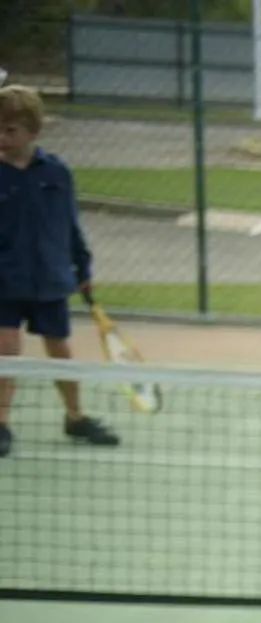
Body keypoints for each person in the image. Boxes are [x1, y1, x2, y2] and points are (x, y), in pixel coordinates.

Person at [0, 83, 119, 459]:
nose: (1, 136)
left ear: (33, 131)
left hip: (50, 280)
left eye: (9, 129)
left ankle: (75, 416)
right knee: (6, 349)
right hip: (5, 281)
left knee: (60, 349)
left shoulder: (57, 173)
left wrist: (82, 268)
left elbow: (69, 226)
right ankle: (1, 423)